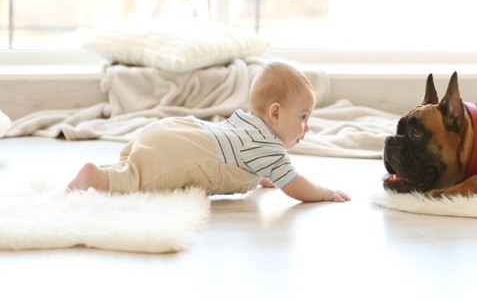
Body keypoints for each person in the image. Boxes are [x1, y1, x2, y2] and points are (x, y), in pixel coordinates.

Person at [67, 62, 350, 203]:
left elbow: (254, 163)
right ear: (275, 113)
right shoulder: (268, 147)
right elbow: (295, 185)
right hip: (179, 152)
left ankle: (113, 169)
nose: (307, 127)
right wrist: (325, 193)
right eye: (303, 117)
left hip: (174, 130)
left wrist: (265, 178)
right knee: (137, 182)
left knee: (136, 166)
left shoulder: (248, 125)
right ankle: (97, 176)